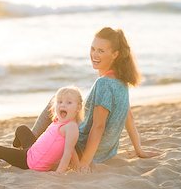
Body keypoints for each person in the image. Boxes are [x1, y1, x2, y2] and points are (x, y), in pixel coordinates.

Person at [28, 27, 159, 173]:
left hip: (85, 149)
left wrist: (84, 163)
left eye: (101, 51)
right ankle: (32, 143)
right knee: (66, 103)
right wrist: (139, 149)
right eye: (93, 49)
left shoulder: (103, 84)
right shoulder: (122, 81)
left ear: (115, 54)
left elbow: (98, 126)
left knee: (57, 100)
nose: (94, 54)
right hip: (106, 152)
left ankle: (30, 144)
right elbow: (129, 117)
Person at [0, 86, 83, 174]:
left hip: (30, 163)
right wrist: (77, 168)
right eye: (60, 102)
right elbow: (71, 148)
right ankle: (17, 148)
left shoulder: (71, 127)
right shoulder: (60, 121)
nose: (63, 105)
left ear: (78, 108)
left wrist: (59, 174)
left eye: (69, 102)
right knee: (22, 129)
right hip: (32, 151)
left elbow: (69, 151)